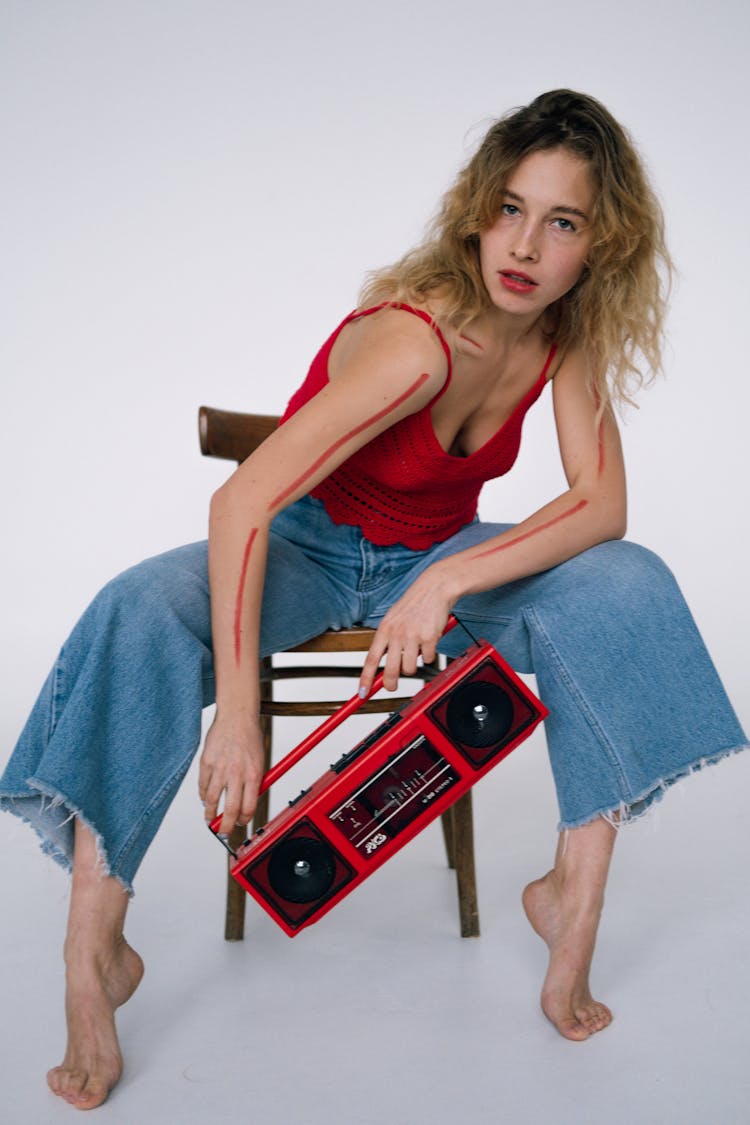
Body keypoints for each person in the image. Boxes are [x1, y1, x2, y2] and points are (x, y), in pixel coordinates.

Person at [2, 89, 746, 1110]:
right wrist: (242, 712)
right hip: (306, 547)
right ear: (479, 209)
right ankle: (95, 958)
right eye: (511, 208)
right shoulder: (418, 340)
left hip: (433, 554)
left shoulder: (561, 339)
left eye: (562, 222)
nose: (524, 244)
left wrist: (444, 577)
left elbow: (602, 505)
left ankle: (570, 898)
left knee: (627, 585)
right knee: (134, 611)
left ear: (599, 245)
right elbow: (242, 503)